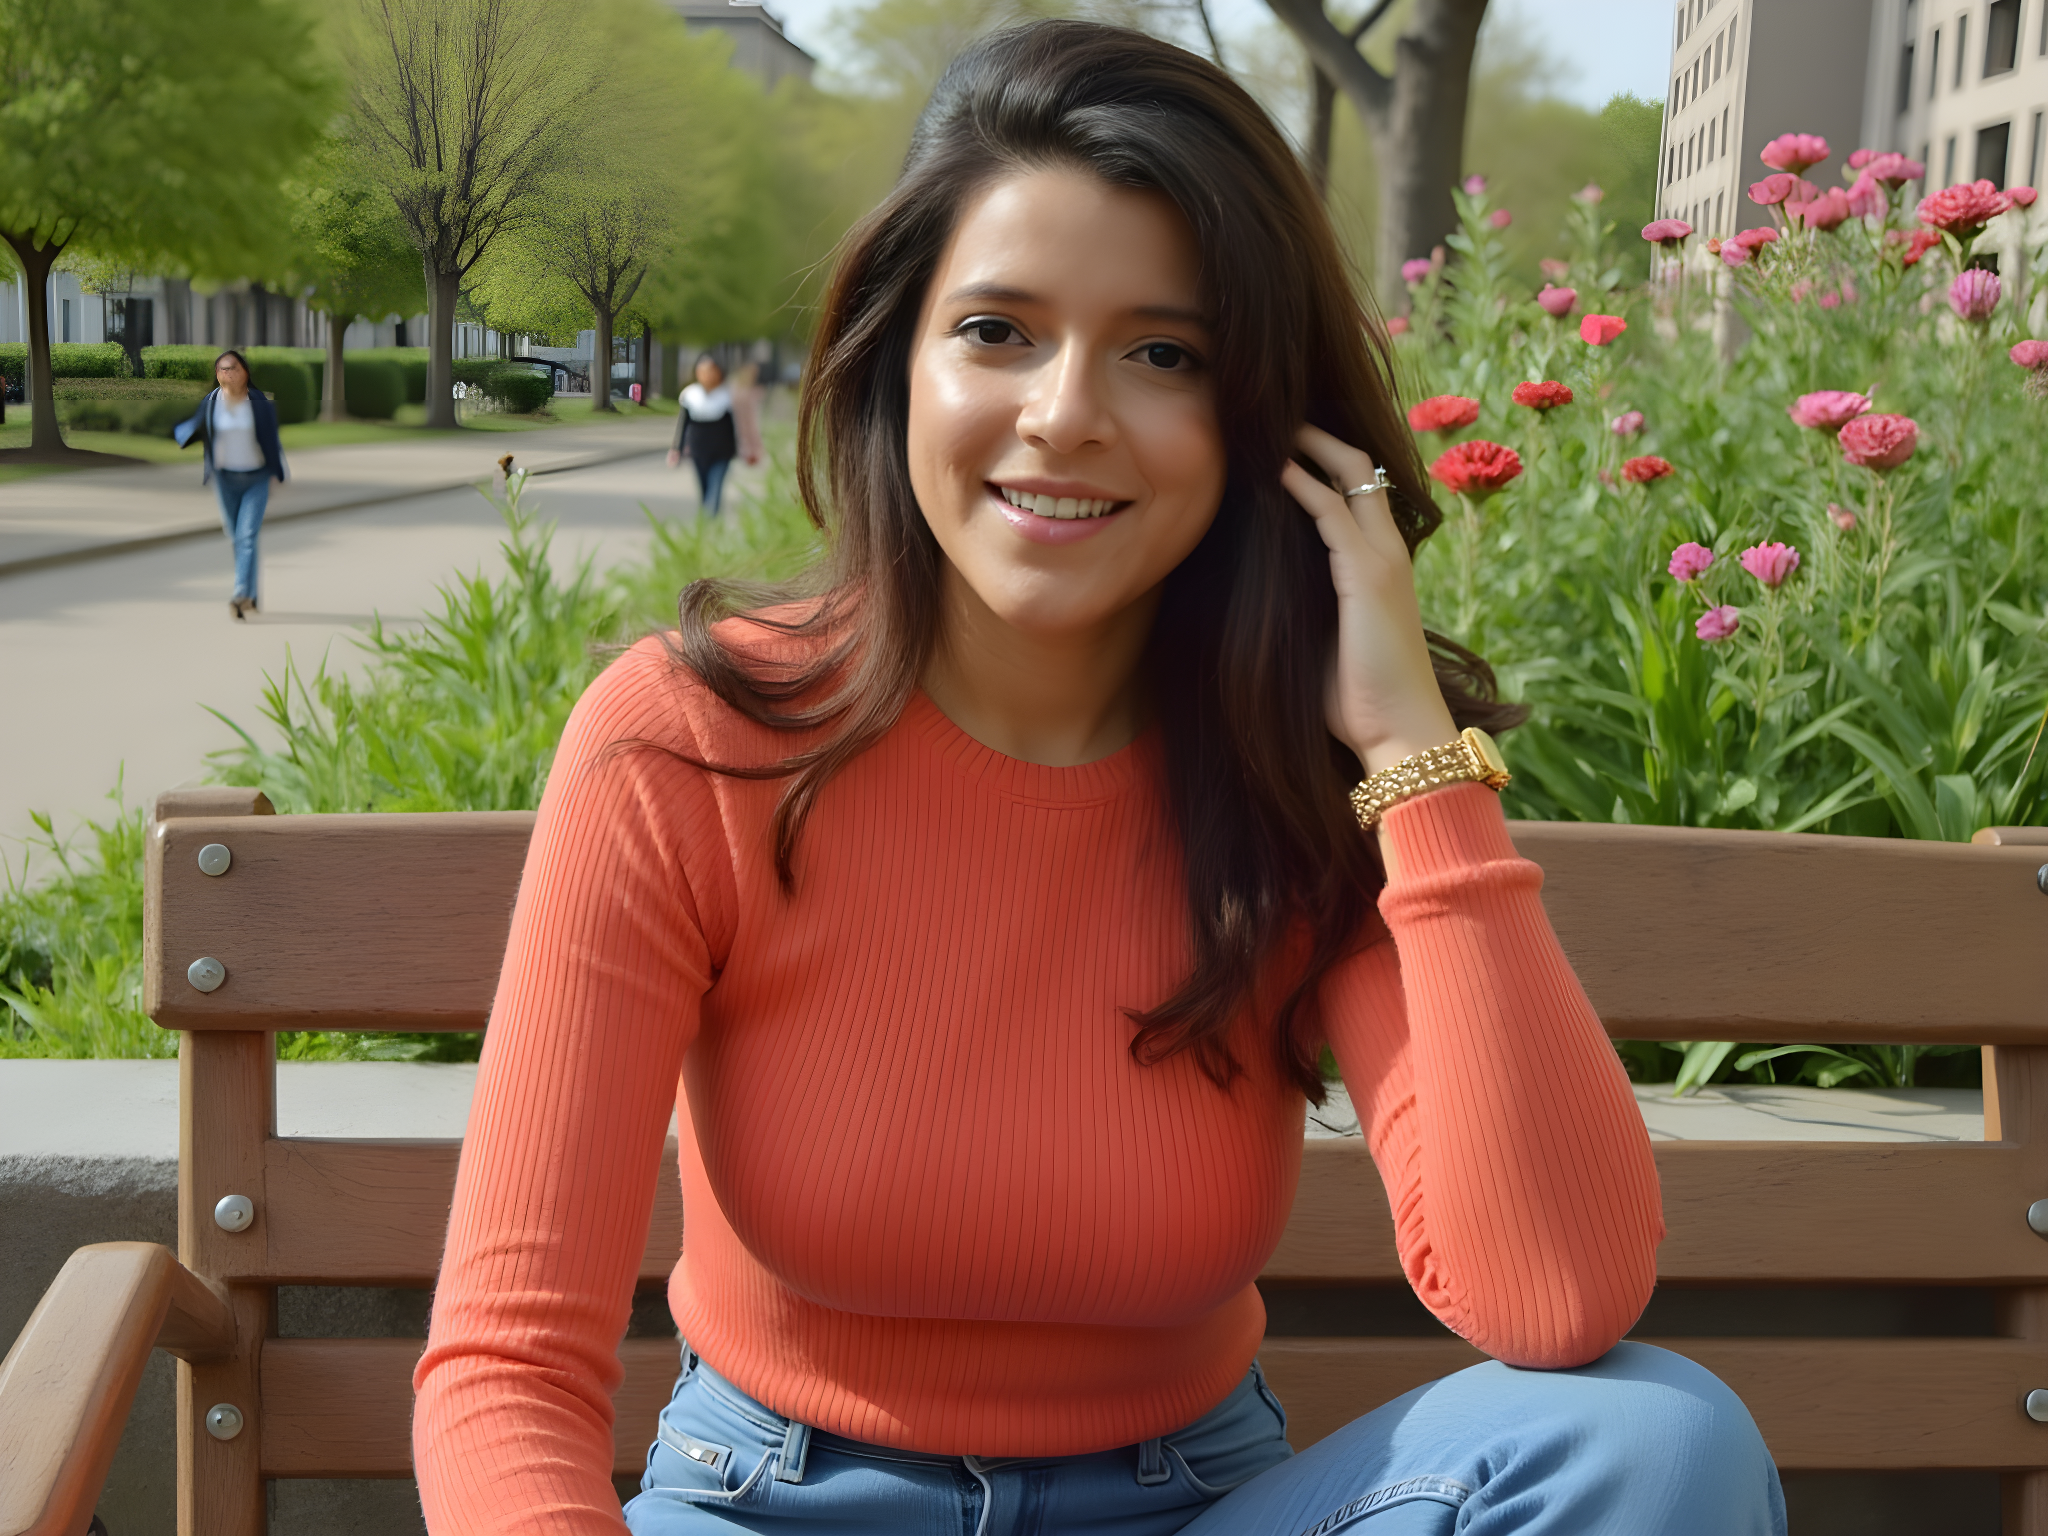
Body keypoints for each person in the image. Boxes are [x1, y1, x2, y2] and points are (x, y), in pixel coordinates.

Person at [415, 23, 1784, 1536]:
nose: (1065, 411)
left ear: (1262, 424)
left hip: (1190, 1506)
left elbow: (1557, 1288)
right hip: (770, 1504)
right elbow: (505, 1369)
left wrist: (1411, 758)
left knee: (1658, 1446)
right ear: (897, 365)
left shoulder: (1294, 772)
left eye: (1162, 353)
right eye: (997, 329)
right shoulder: (690, 741)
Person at [172, 349, 286, 620]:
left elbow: (272, 440)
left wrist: (279, 474)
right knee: (238, 537)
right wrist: (182, 434)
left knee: (246, 536)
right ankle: (251, 594)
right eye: (222, 369)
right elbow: (198, 426)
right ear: (217, 374)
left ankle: (240, 594)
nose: (228, 373)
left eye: (233, 368)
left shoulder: (259, 402)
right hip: (225, 480)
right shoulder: (211, 402)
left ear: (245, 371)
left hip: (257, 478)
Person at [669, 355, 739, 515]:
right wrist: (676, 449)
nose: (707, 375)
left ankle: (710, 524)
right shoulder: (690, 395)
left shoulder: (727, 395)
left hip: (722, 452)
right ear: (697, 373)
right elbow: (683, 423)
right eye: (703, 371)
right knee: (704, 489)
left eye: (711, 371)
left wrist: (741, 449)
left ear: (719, 373)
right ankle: (707, 525)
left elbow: (736, 427)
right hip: (698, 450)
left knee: (714, 491)